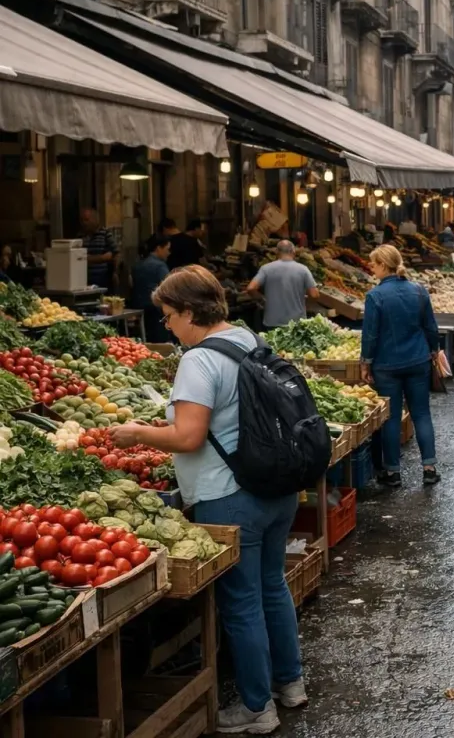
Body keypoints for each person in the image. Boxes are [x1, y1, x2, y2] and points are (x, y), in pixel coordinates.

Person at [109, 265, 304, 734]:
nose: (166, 325)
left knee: (241, 602)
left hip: (229, 495)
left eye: (169, 315)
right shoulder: (248, 339)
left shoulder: (198, 360)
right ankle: (290, 685)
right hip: (276, 487)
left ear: (191, 312)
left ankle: (257, 709)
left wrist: (136, 432)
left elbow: (189, 435)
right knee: (273, 587)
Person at [361, 245, 440, 487]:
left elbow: (370, 335)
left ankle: (393, 473)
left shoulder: (375, 296)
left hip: (387, 365)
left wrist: (366, 363)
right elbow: (431, 327)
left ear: (384, 266)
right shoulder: (418, 291)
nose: (371, 269)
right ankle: (429, 468)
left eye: (373, 264)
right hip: (418, 360)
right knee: (422, 414)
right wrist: (434, 351)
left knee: (392, 417)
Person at [245, 241, 319, 329]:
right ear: (293, 252)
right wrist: (303, 303)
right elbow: (314, 294)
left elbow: (250, 288)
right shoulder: (303, 269)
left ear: (277, 252)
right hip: (296, 322)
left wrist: (262, 299)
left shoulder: (266, 268)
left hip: (272, 321)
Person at [131, 236, 172, 343]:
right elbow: (168, 287)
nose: (169, 253)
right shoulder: (160, 266)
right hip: (157, 310)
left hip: (140, 309)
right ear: (158, 248)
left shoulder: (138, 265)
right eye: (167, 249)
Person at [80, 207, 118, 289]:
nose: (84, 223)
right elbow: (78, 258)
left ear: (95, 220)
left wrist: (115, 272)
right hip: (85, 278)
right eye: (82, 220)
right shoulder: (80, 236)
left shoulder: (105, 234)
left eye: (86, 220)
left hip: (102, 278)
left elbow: (115, 253)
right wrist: (102, 257)